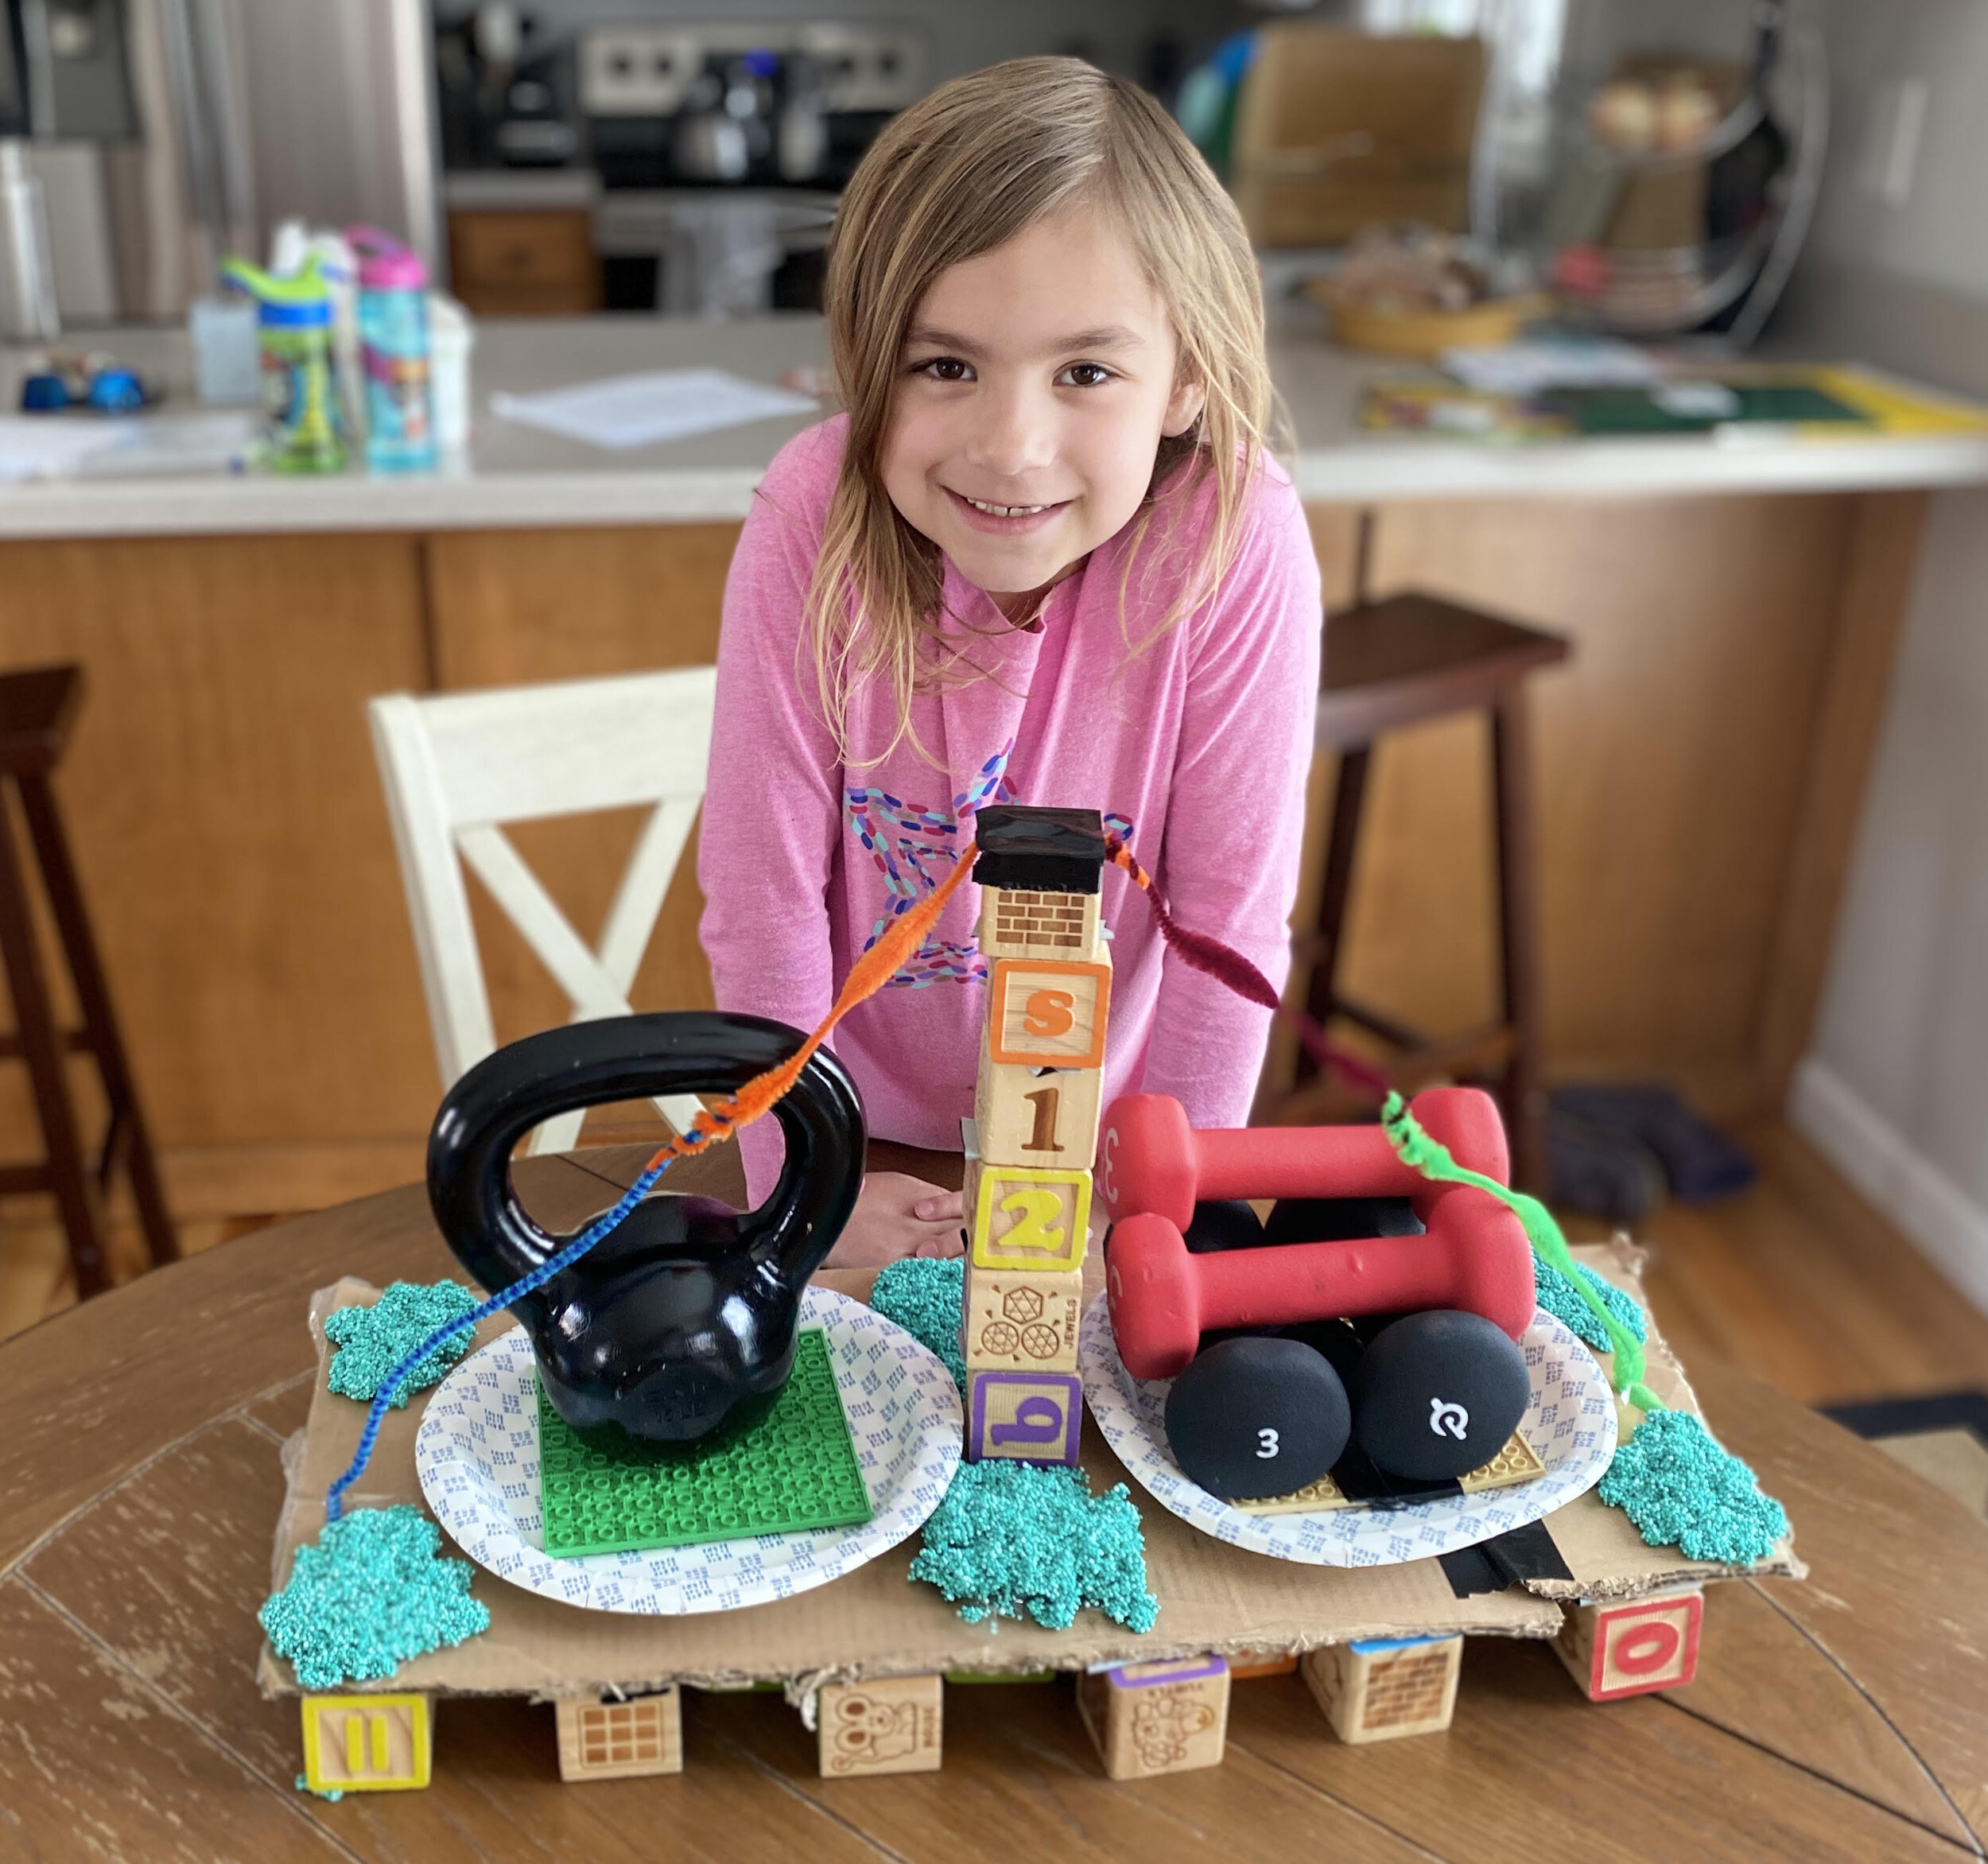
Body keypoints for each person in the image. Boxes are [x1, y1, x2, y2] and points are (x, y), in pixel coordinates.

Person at [698, 56, 1320, 1264]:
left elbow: (1227, 927)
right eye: (947, 366)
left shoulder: (1235, 538)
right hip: (856, 1143)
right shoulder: (809, 514)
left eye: (1086, 372)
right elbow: (763, 903)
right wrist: (804, 1187)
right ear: (872, 358)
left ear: (1186, 378)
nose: (1012, 446)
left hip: (1105, 1158)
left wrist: (1161, 1213)